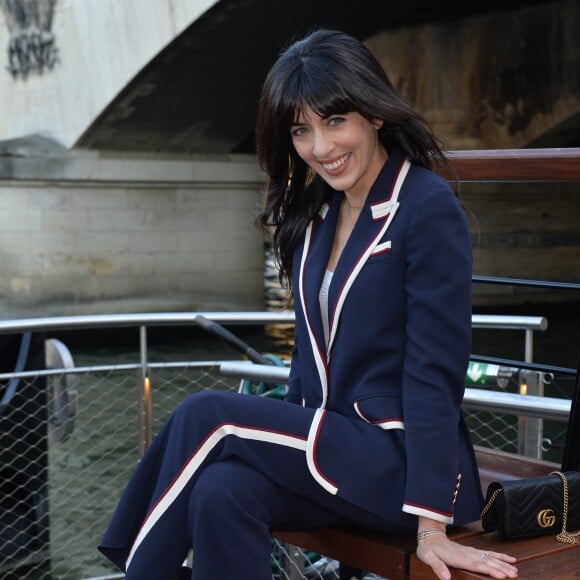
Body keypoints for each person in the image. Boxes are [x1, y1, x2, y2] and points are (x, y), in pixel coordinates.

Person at [99, 29, 518, 580]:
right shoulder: (317, 214)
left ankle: (137, 570)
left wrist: (432, 524)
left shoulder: (425, 207)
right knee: (222, 492)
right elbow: (307, 362)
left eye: (335, 121)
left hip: (396, 466)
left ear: (374, 114)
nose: (321, 148)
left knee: (209, 416)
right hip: (326, 450)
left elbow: (434, 374)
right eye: (302, 129)